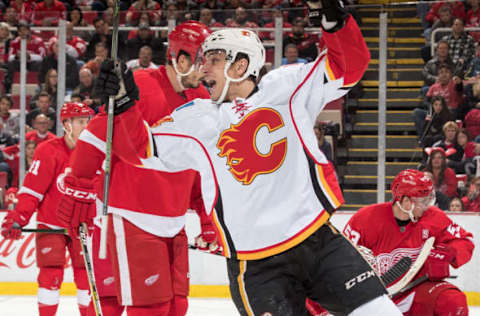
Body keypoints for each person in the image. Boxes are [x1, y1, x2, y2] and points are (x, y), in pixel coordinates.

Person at [69, 2, 404, 315]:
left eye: (212, 59)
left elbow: (350, 67)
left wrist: (335, 21)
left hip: (319, 242)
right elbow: (139, 150)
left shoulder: (287, 86)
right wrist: (124, 104)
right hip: (257, 266)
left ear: (241, 64)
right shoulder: (196, 119)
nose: (202, 69)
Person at [57, 21, 216, 316]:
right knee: (150, 307)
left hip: (175, 218)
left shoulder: (202, 99)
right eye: (203, 61)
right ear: (182, 59)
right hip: (133, 214)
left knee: (177, 306)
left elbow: (199, 164)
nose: (207, 70)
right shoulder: (140, 85)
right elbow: (96, 133)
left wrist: (206, 217)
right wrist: (78, 184)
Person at [0, 102, 94, 316]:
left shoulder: (95, 153)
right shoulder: (48, 150)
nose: (86, 126)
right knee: (50, 275)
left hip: (84, 226)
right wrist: (18, 218)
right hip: (51, 223)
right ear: (66, 124)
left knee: (86, 276)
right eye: (80, 122)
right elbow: (33, 190)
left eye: (88, 121)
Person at [343, 169, 474, 316]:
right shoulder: (366, 219)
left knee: (452, 302)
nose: (427, 206)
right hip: (375, 297)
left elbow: (464, 241)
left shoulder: (433, 217)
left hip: (416, 291)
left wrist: (450, 252)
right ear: (406, 202)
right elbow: (338, 257)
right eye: (423, 201)